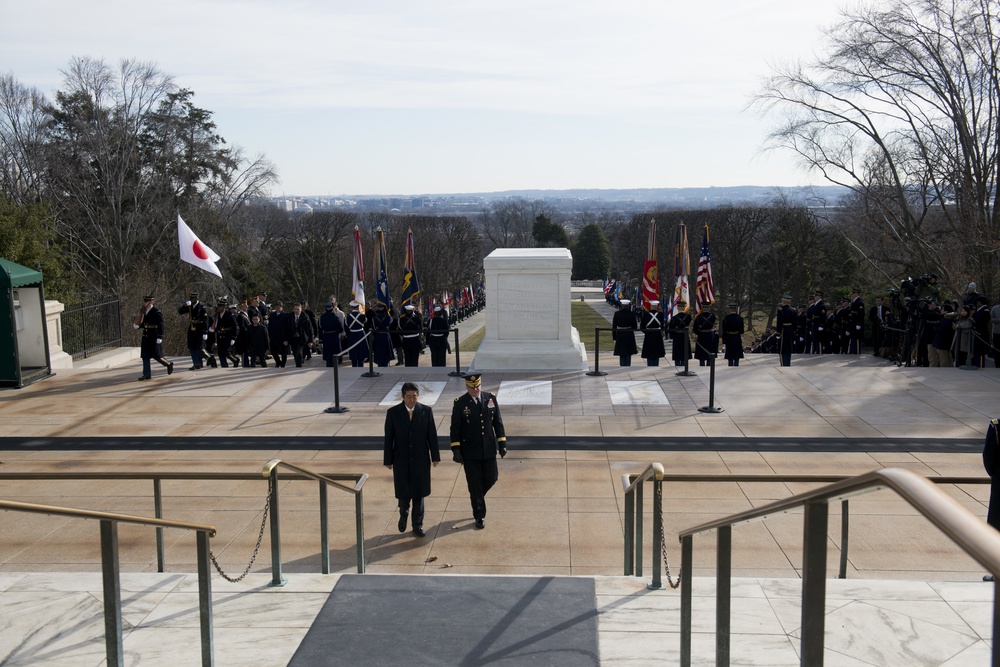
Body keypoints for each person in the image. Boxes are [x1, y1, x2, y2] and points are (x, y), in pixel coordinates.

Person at [450, 373, 507, 529]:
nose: (475, 390)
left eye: (477, 387)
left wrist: (502, 443)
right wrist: (456, 449)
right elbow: (455, 428)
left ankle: (477, 497)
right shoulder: (460, 403)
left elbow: (498, 422)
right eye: (472, 387)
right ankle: (479, 515)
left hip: (488, 449)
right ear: (466, 387)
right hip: (470, 453)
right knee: (475, 485)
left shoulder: (490, 398)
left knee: (492, 477)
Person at [384, 382, 440, 537]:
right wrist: (388, 460)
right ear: (402, 397)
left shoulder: (426, 411)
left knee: (419, 493)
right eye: (408, 397)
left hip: (420, 459)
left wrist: (435, 456)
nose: (411, 400)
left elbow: (432, 436)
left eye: (414, 396)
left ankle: (417, 525)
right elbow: (389, 438)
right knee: (403, 493)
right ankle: (403, 513)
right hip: (401, 460)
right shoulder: (393, 413)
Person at [133, 295, 173, 380]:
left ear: (151, 302)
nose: (144, 303)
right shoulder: (145, 311)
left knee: (157, 355)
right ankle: (146, 374)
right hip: (146, 336)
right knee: (145, 356)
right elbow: (144, 323)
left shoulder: (156, 311)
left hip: (154, 336)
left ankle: (168, 364)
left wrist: (160, 336)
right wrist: (139, 326)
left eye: (146, 302)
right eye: (144, 301)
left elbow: (161, 324)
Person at [178, 293, 216, 370]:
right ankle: (196, 363)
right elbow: (180, 312)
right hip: (192, 329)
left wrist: (205, 332)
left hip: (199, 329)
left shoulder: (202, 308)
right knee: (191, 347)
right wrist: (185, 305)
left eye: (193, 298)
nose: (191, 300)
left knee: (199, 347)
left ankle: (209, 357)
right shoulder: (190, 307)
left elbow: (206, 321)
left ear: (196, 298)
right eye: (191, 298)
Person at [612, 299, 638, 366]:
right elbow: (635, 326)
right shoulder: (631, 314)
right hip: (629, 334)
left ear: (621, 305)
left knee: (622, 352)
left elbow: (614, 326)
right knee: (628, 352)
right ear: (628, 305)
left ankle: (622, 365)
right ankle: (628, 365)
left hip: (620, 334)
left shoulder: (617, 314)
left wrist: (614, 337)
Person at [214, 298, 239, 367]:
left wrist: (233, 337)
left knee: (226, 352)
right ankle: (224, 366)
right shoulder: (218, 315)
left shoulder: (230, 315)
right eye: (218, 306)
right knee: (220, 353)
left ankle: (235, 360)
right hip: (220, 336)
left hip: (228, 335)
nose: (219, 308)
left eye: (220, 307)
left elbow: (234, 327)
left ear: (224, 307)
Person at [640, 300, 665, 366]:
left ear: (650, 306)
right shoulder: (660, 314)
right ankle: (656, 364)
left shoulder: (646, 315)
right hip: (657, 334)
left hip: (649, 335)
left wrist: (647, 332)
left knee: (649, 352)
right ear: (657, 306)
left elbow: (642, 327)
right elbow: (662, 326)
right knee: (657, 352)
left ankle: (650, 364)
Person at [318, 301, 345, 367]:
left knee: (328, 357)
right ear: (332, 307)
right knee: (335, 355)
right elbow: (341, 329)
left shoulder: (321, 318)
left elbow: (320, 329)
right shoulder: (336, 318)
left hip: (326, 338)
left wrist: (321, 340)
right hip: (335, 337)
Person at [289, 302, 314, 367]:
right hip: (293, 338)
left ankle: (299, 366)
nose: (296, 311)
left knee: (299, 352)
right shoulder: (290, 316)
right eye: (295, 309)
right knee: (295, 353)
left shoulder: (305, 316)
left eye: (298, 309)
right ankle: (298, 363)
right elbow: (287, 328)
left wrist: (311, 340)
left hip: (302, 338)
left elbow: (310, 329)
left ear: (301, 309)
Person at [692, 302, 718, 367]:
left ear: (702, 308)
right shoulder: (713, 316)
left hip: (702, 336)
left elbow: (695, 329)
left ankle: (702, 366)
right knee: (710, 354)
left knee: (702, 356)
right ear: (709, 308)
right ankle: (709, 366)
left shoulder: (699, 317)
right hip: (710, 335)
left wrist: (700, 333)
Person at [370, 302, 396, 367]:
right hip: (386, 336)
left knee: (379, 353)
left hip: (378, 337)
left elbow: (372, 327)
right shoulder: (388, 317)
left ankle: (380, 366)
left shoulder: (374, 318)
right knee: (386, 354)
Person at [345, 301, 370, 367]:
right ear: (358, 307)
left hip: (352, 335)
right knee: (361, 355)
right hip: (361, 335)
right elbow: (365, 322)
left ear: (352, 307)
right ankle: (361, 367)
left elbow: (346, 328)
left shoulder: (347, 317)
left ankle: (354, 367)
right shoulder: (363, 316)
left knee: (353, 354)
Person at [668, 300, 692, 367]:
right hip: (685, 336)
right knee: (685, 351)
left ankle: (677, 364)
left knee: (677, 352)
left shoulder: (674, 318)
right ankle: (684, 365)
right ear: (684, 308)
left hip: (677, 336)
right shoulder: (688, 317)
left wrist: (672, 336)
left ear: (677, 308)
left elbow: (671, 329)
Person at [776, 295, 797, 367]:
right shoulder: (793, 310)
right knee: (788, 348)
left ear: (783, 301)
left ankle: (783, 363)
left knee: (782, 349)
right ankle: (788, 363)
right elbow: (795, 322)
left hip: (783, 330)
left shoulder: (781, 310)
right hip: (790, 330)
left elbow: (779, 323)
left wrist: (778, 333)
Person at [721, 303, 744, 367]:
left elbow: (724, 331)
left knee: (730, 355)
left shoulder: (726, 319)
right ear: (736, 309)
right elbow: (742, 331)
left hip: (729, 338)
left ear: (729, 309)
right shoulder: (740, 318)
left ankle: (730, 365)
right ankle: (736, 365)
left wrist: (724, 341)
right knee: (737, 355)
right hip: (736, 337)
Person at [268, 302, 289, 368]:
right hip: (274, 336)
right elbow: (270, 325)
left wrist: (287, 338)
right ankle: (278, 362)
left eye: (279, 307)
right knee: (273, 351)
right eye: (276, 307)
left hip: (283, 336)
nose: (277, 308)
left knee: (283, 352)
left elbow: (288, 327)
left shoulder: (285, 315)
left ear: (282, 307)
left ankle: (283, 363)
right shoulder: (272, 315)